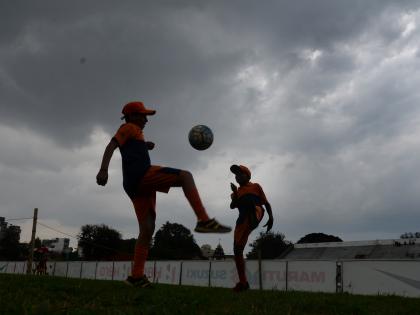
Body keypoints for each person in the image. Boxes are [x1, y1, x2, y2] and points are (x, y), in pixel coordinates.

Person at [96, 101, 231, 288]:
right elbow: (111, 145)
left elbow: (127, 148)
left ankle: (136, 277)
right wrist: (103, 170)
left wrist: (144, 146)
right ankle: (203, 220)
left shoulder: (135, 133)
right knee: (185, 176)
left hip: (134, 184)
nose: (146, 119)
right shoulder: (127, 127)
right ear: (133, 116)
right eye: (143, 116)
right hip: (142, 175)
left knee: (147, 229)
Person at [229, 164, 273, 292]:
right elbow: (232, 206)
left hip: (256, 212)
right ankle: (243, 283)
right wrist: (235, 194)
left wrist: (271, 218)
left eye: (240, 174)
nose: (237, 176)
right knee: (237, 250)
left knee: (252, 205)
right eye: (236, 175)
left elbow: (266, 203)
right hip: (243, 220)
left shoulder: (256, 186)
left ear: (247, 176)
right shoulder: (236, 192)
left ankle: (254, 215)